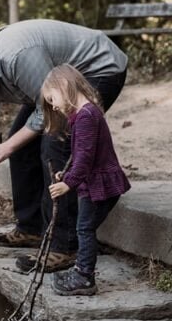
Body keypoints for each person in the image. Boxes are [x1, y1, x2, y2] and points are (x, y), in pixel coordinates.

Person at [0, 19, 128, 274]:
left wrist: (8, 147)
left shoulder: (16, 56)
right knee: (21, 144)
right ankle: (32, 228)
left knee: (55, 144)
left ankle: (65, 246)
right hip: (50, 85)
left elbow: (51, 115)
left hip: (98, 68)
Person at [40, 65, 131, 295]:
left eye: (52, 98)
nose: (53, 105)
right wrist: (66, 173)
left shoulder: (86, 117)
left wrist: (67, 184)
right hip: (94, 182)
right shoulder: (85, 114)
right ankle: (82, 269)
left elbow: (85, 160)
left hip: (99, 185)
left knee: (84, 228)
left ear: (64, 86)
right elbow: (80, 154)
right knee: (85, 227)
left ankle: (84, 276)